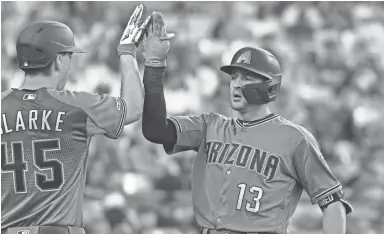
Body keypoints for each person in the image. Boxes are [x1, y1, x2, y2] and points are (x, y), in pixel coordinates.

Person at [141, 12, 353, 234]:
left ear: (270, 86)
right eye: (234, 77)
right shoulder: (210, 126)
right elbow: (155, 131)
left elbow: (332, 202)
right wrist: (155, 64)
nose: (236, 84)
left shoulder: (294, 138)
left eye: (247, 77)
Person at [1, 5, 150, 234]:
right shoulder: (75, 106)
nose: (70, 64)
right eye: (69, 57)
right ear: (59, 60)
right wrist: (127, 52)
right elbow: (134, 108)